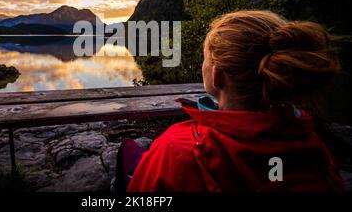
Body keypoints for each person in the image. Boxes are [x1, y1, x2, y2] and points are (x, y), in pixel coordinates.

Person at [117, 10, 346, 192]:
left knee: (130, 154)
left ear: (217, 75)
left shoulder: (178, 149)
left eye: (205, 59)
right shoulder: (312, 143)